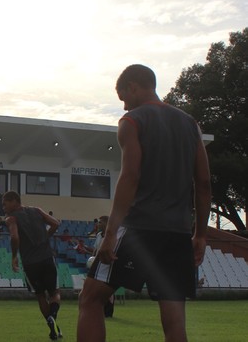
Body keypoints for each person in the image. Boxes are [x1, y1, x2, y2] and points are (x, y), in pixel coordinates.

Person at [77, 64, 212, 342]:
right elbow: (204, 183)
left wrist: (111, 233)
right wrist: (200, 234)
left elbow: (130, 177)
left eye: (124, 98)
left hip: (139, 228)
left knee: (90, 299)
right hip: (178, 233)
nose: (125, 107)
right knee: (175, 322)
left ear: (134, 87)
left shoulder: (132, 121)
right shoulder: (191, 124)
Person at [3, 190, 62, 340]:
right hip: (47, 258)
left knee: (40, 295)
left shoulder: (11, 218)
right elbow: (55, 223)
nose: (4, 208)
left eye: (5, 204)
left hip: (30, 263)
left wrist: (14, 256)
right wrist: (45, 237)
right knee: (55, 293)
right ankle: (53, 317)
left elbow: (14, 237)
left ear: (14, 201)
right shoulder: (37, 210)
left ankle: (52, 326)